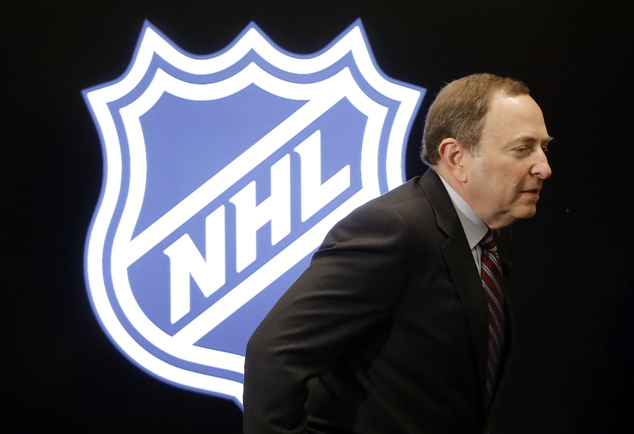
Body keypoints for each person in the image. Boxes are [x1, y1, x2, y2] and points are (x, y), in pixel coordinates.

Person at [243, 73, 553, 434]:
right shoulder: (393, 228)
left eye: (544, 148)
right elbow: (273, 354)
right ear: (456, 157)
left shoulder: (490, 235)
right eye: (522, 149)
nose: (544, 167)